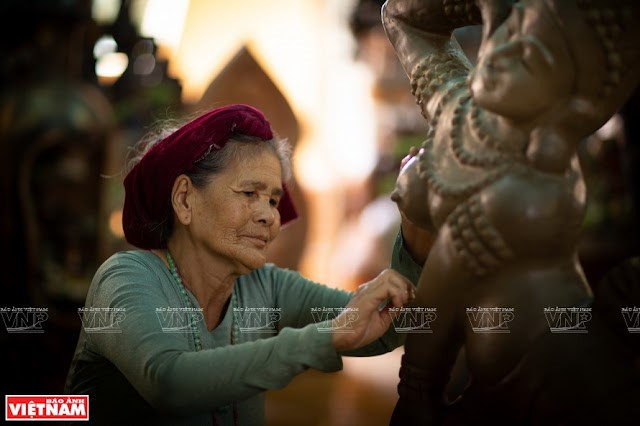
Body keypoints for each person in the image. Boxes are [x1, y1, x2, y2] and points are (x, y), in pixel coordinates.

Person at [64, 103, 430, 425]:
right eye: (250, 194)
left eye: (272, 200)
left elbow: (383, 329)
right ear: (185, 200)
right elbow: (169, 383)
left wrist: (415, 228)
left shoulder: (265, 288)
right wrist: (327, 335)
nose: (269, 217)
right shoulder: (127, 279)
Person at [382, 0, 640, 424]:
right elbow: (399, 16)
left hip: (559, 377)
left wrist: (416, 390)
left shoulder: (533, 192)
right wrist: (494, 7)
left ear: (573, 105)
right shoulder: (461, 111)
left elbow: (443, 288)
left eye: (528, 56)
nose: (495, 52)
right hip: (495, 376)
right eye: (506, 30)